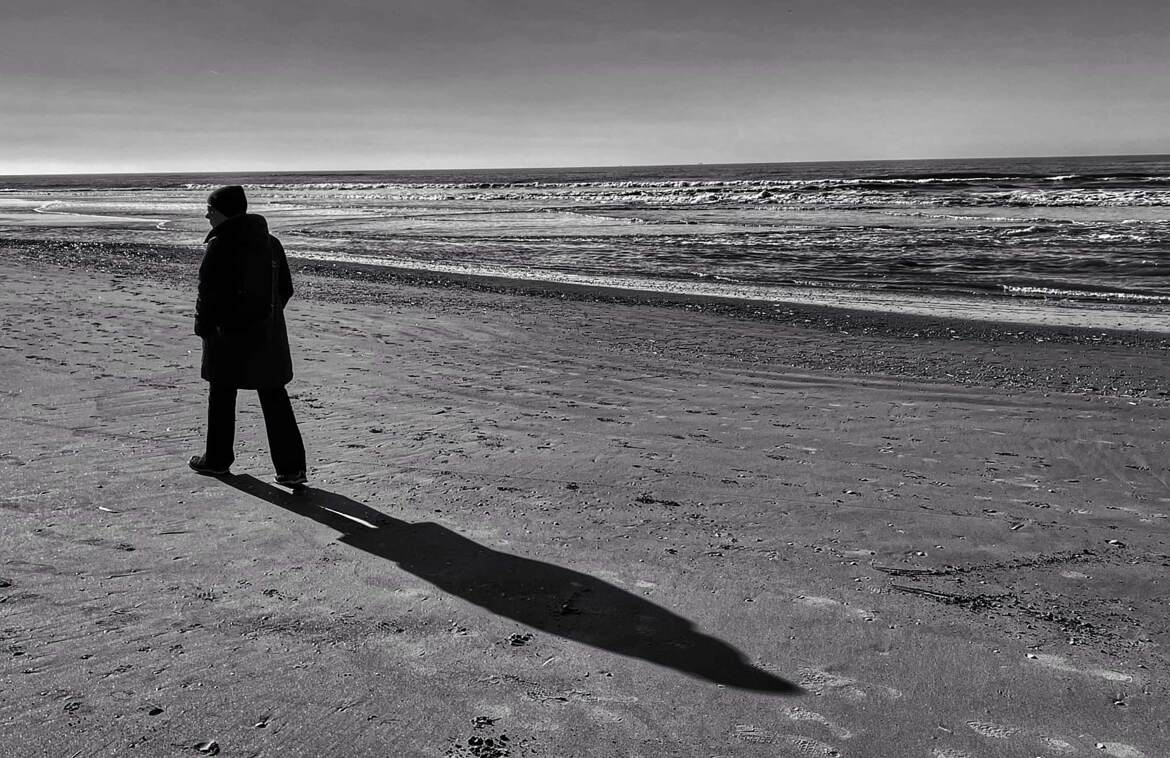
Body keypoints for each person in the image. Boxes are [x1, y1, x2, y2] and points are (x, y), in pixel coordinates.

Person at [188, 185, 307, 487]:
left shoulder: (220, 244)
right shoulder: (271, 243)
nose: (206, 215)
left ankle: (216, 460)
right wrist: (267, 316)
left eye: (210, 211)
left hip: (227, 335)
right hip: (267, 333)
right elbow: (285, 290)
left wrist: (203, 327)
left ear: (223, 213)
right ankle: (292, 470)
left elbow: (208, 294)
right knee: (274, 396)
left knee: (222, 395)